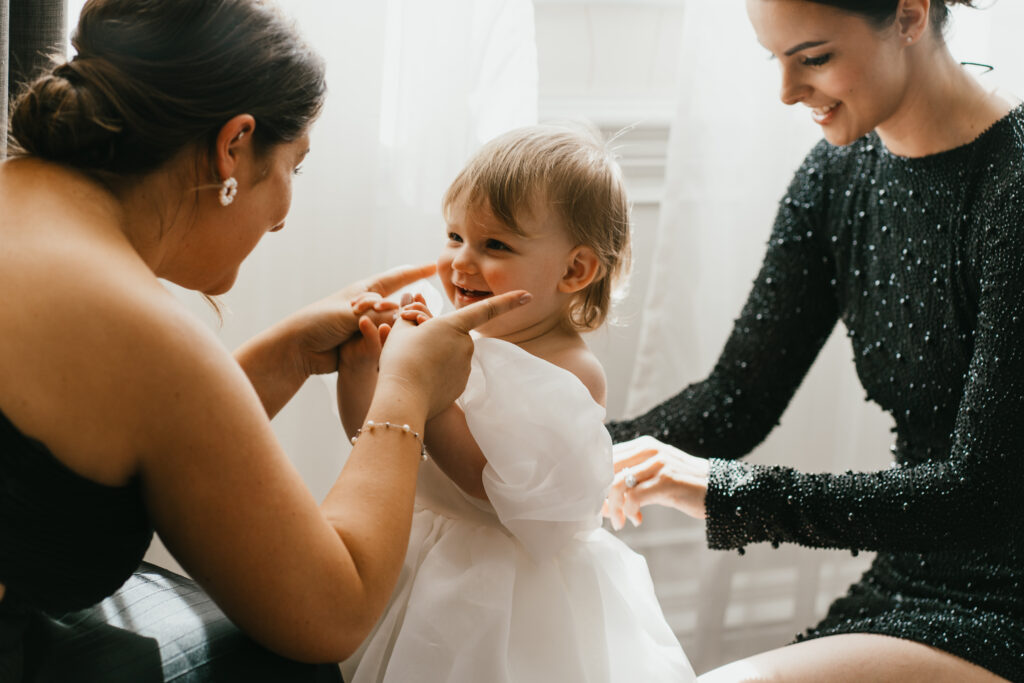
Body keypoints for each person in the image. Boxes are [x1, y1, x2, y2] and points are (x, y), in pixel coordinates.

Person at [0, 0, 530, 680]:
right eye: (294, 166)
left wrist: (278, 357)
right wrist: (406, 387)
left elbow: (107, 452)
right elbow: (334, 608)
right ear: (234, 145)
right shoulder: (145, 336)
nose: (283, 215)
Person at [603, 0, 1023, 681]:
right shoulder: (837, 177)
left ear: (911, 16)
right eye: (776, 58)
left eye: (814, 58)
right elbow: (734, 401)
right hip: (908, 584)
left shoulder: (1014, 188)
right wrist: (557, 453)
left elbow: (980, 496)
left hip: (1008, 602)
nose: (787, 92)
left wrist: (721, 490)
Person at [336, 124, 695, 682]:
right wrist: (364, 368)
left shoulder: (570, 371)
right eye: (454, 237)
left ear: (575, 270)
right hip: (421, 557)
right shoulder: (460, 341)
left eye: (494, 245)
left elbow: (489, 482)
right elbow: (377, 438)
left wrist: (426, 393)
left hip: (501, 591)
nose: (461, 262)